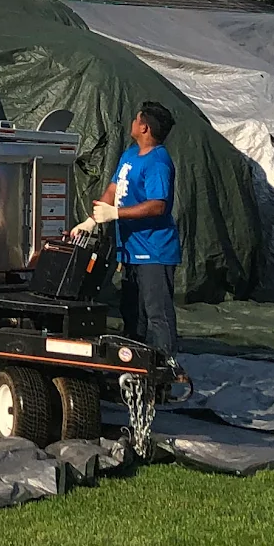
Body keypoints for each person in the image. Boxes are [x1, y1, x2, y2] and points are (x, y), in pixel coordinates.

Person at [76, 100, 181, 357]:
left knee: (157, 313)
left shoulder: (158, 162)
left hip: (154, 251)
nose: (132, 123)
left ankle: (164, 366)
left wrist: (116, 214)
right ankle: (134, 362)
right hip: (130, 250)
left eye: (136, 119)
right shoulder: (129, 155)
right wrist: (93, 219)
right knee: (132, 312)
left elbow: (158, 205)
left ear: (144, 127)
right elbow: (114, 188)